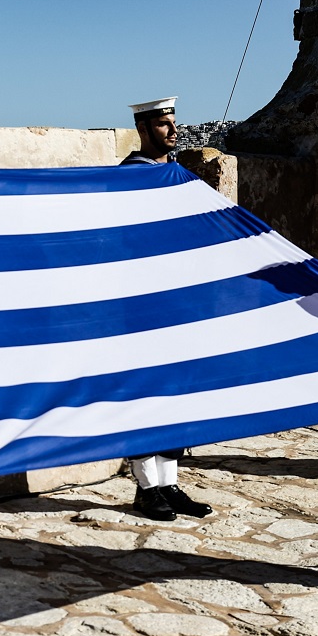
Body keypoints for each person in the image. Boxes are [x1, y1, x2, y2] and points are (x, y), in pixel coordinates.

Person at [119, 97, 213, 522]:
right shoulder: (127, 178)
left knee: (177, 393)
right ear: (143, 128)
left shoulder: (177, 175)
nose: (174, 132)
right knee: (144, 393)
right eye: (163, 124)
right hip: (141, 306)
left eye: (174, 123)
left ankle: (170, 483)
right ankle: (146, 487)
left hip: (178, 303)